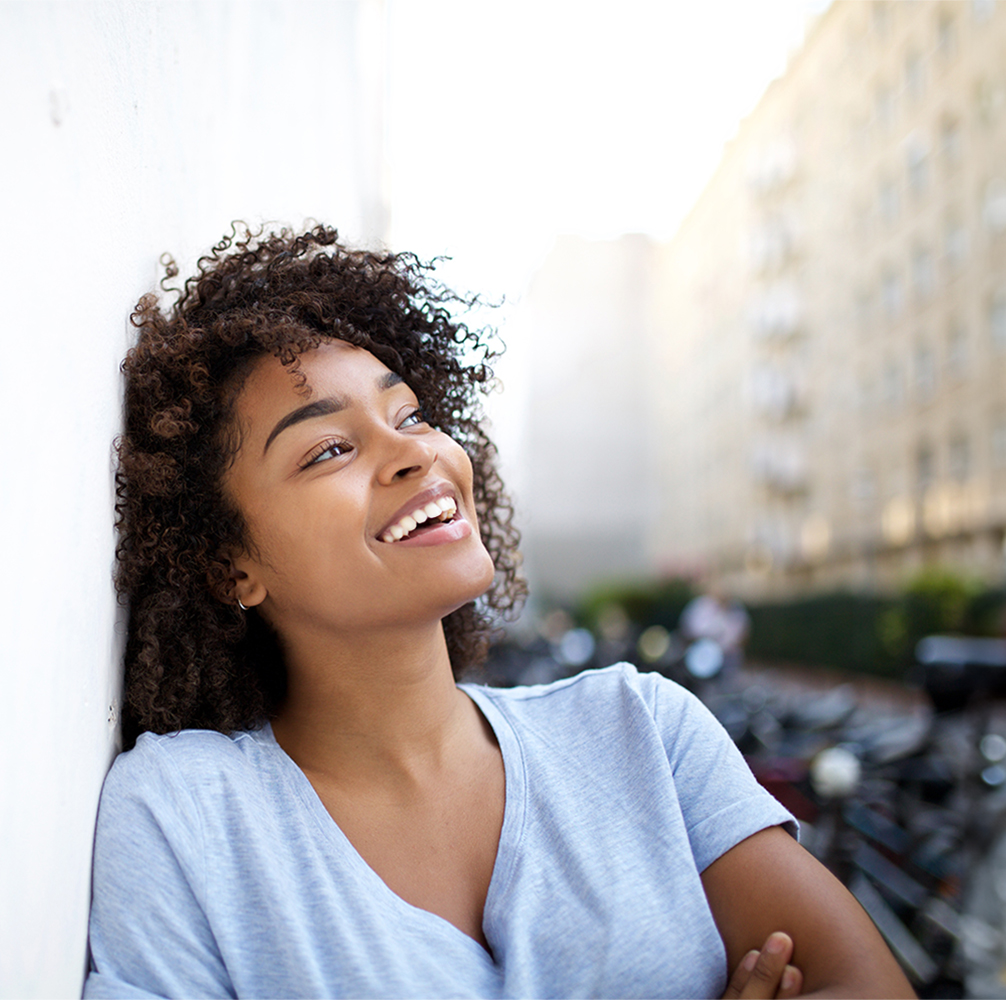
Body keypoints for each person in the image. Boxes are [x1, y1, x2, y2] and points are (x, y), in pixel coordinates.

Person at [84, 224, 913, 999]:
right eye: (330, 447)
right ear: (232, 564)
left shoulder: (642, 732)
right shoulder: (181, 818)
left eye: (409, 413)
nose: (416, 451)